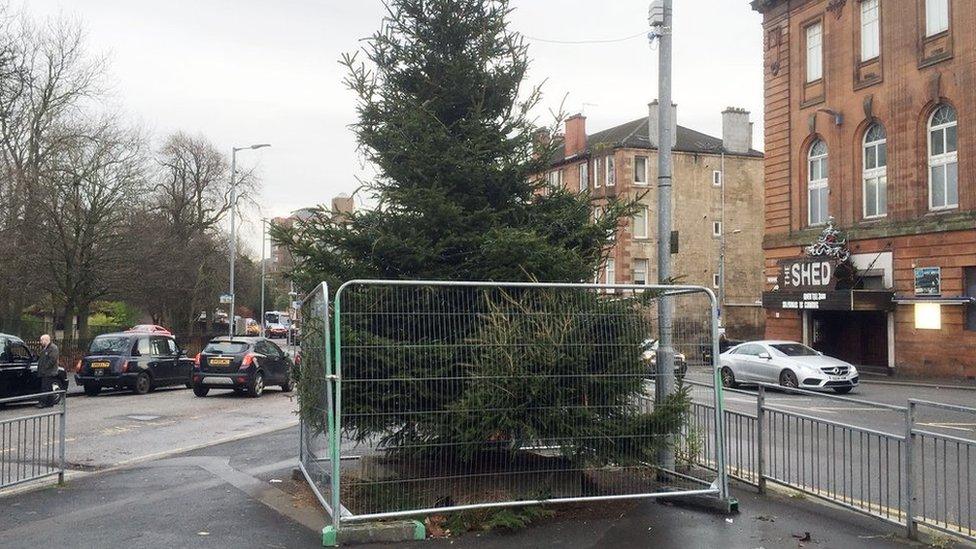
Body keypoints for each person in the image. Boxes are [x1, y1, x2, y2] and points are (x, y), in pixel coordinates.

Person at [36, 334, 59, 408]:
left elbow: (52, 360)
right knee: (48, 387)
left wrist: (45, 367)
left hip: (49, 372)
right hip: (45, 372)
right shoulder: (45, 348)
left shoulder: (53, 348)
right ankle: (50, 402)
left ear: (45, 340)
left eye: (41, 340)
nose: (41, 342)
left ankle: (43, 402)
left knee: (45, 387)